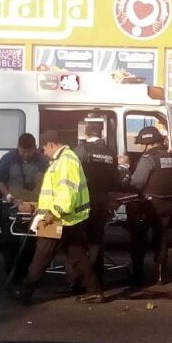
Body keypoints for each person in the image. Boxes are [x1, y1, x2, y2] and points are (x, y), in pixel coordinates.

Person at [14, 130, 102, 305]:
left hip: (57, 217)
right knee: (78, 257)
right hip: (69, 218)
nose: (43, 153)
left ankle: (25, 293)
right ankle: (94, 291)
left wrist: (52, 213)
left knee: (41, 255)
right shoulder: (63, 160)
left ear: (51, 144)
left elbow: (66, 193)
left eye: (44, 149)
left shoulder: (65, 161)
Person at [0, 133, 49, 284]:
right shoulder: (8, 159)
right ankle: (11, 275)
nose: (25, 154)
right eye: (22, 151)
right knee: (9, 242)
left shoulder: (43, 161)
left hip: (35, 207)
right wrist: (11, 198)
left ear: (35, 148)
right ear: (18, 147)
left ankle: (27, 275)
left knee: (31, 243)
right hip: (12, 205)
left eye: (29, 152)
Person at [72, 121, 121, 288]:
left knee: (78, 242)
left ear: (86, 133)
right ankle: (97, 279)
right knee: (97, 241)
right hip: (103, 200)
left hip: (84, 200)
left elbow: (72, 173)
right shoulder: (110, 152)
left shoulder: (81, 150)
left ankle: (78, 281)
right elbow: (116, 179)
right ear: (101, 133)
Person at [128, 125, 172, 285]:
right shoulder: (171, 157)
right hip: (167, 203)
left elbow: (137, 182)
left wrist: (125, 177)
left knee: (139, 237)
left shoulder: (148, 158)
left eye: (142, 144)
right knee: (162, 239)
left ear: (149, 143)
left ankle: (137, 273)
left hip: (149, 204)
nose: (141, 148)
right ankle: (161, 274)